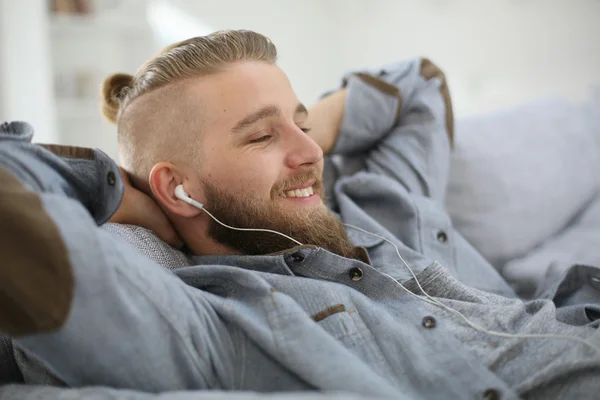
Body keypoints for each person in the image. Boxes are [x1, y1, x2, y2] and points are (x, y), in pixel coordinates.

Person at [1, 30, 599, 400]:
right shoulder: (218, 325)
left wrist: (300, 128)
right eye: (260, 136)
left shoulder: (378, 207)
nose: (312, 152)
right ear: (178, 190)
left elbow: (418, 83)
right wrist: (124, 196)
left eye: (305, 124)